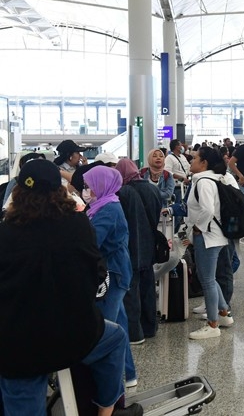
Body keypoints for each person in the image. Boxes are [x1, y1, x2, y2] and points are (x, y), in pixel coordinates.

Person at [0, 160, 141, 416]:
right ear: (60, 190)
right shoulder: (78, 225)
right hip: (75, 335)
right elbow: (97, 274)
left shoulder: (5, 234)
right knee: (116, 337)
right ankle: (106, 411)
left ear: (17, 192)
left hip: (19, 346)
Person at [82, 166, 138, 389]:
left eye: (89, 186)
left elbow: (92, 241)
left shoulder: (108, 209)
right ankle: (129, 374)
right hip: (117, 271)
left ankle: (112, 387)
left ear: (101, 185)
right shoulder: (105, 204)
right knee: (119, 326)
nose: (87, 191)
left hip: (112, 274)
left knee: (106, 329)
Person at [185, 147, 235, 339]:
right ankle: (223, 313)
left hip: (207, 236)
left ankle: (213, 324)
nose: (191, 161)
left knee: (207, 280)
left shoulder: (204, 182)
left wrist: (198, 228)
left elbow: (207, 210)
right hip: (215, 235)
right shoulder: (212, 179)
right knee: (209, 278)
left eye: (195, 158)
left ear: (204, 163)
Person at [116, 158, 163, 342]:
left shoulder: (123, 192)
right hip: (149, 244)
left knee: (131, 290)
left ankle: (135, 333)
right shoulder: (153, 188)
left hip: (132, 245)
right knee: (148, 287)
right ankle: (150, 327)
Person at [165, 139, 191, 228]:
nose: (182, 147)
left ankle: (180, 227)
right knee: (178, 209)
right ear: (176, 146)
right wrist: (181, 178)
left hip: (185, 186)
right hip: (177, 187)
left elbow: (188, 168)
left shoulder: (182, 157)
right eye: (180, 145)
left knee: (185, 208)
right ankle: (175, 230)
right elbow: (167, 172)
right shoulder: (169, 158)